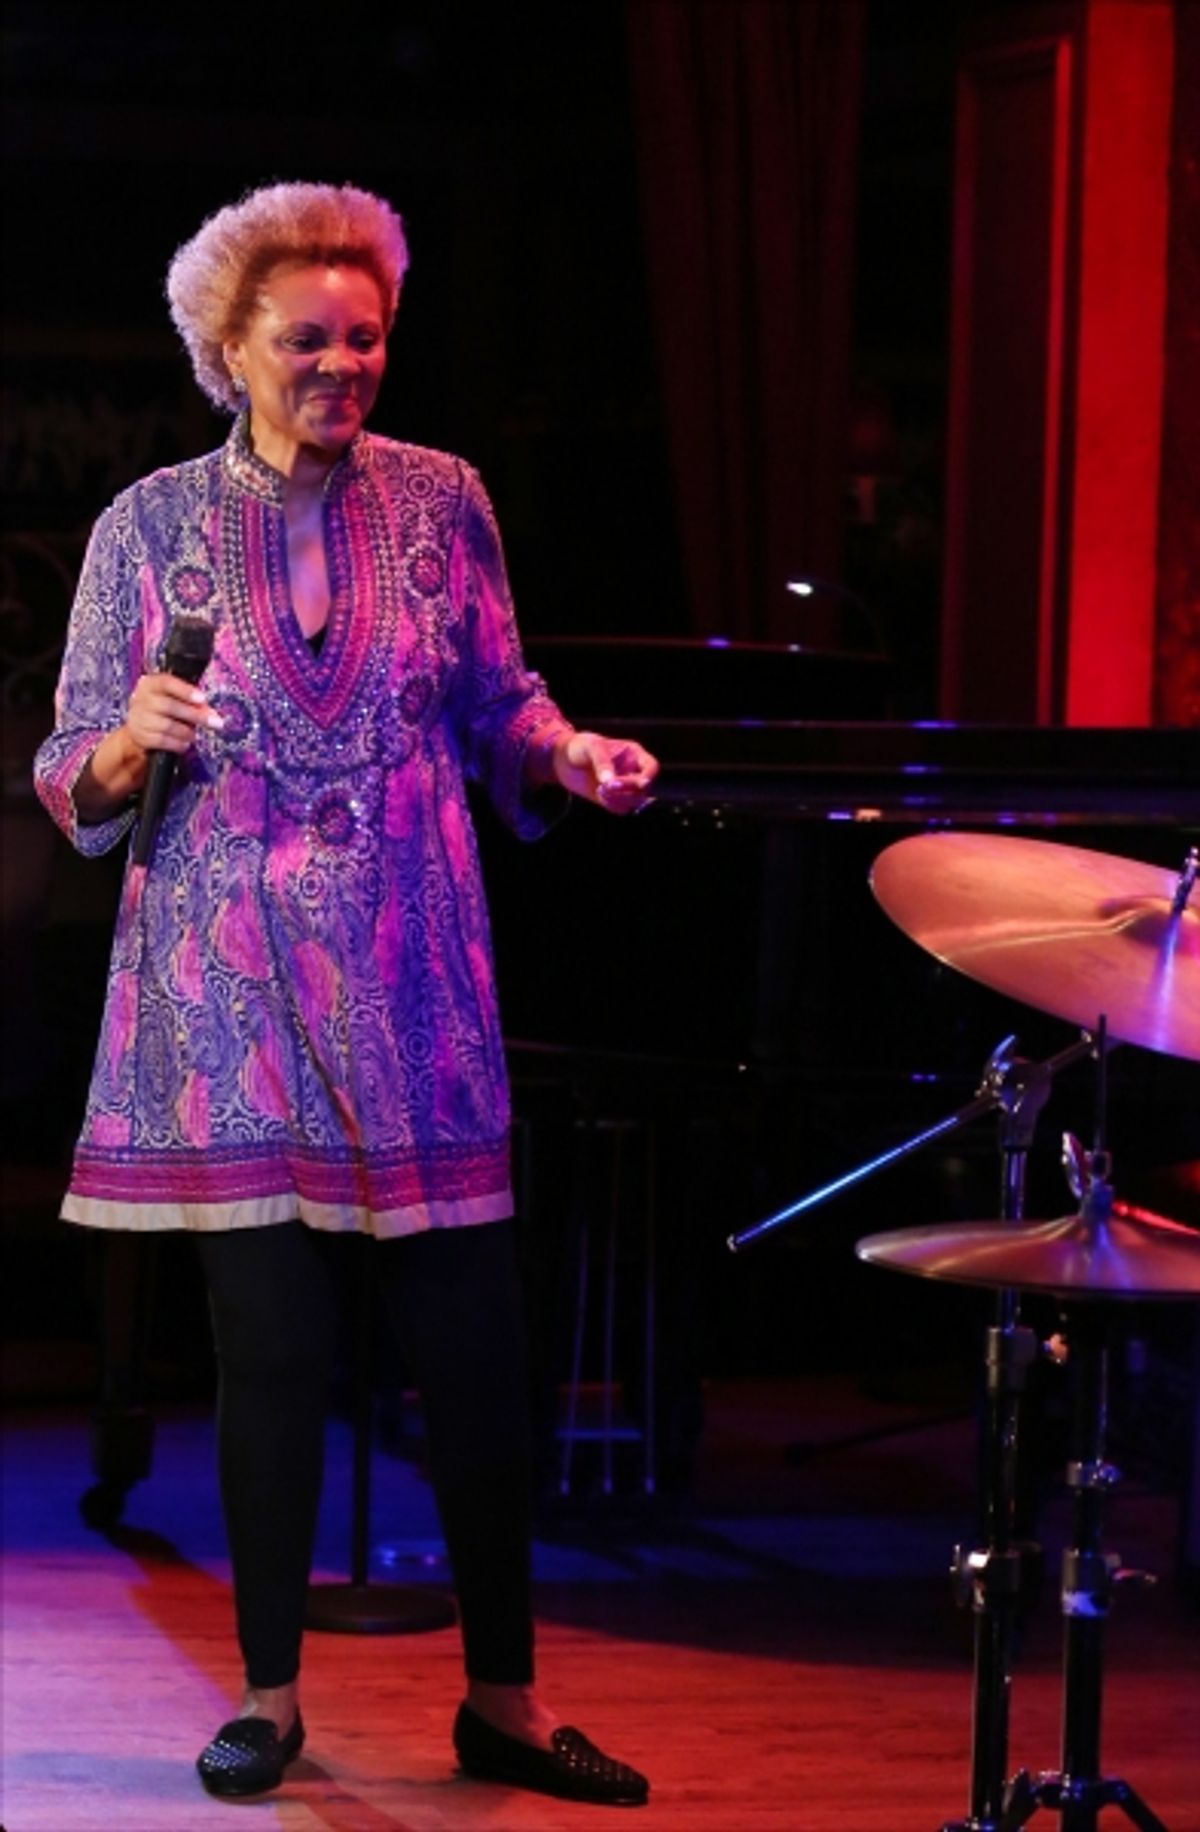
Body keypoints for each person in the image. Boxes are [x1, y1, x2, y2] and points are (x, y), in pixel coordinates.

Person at [33, 180, 657, 1807]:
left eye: (364, 336)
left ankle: (504, 1703)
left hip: (415, 977)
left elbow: (502, 691)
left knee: (473, 1354)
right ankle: (267, 1697)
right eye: (303, 337)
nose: (340, 362)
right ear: (225, 345)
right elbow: (68, 768)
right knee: (272, 1353)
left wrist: (569, 756)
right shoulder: (146, 530)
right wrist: (128, 741)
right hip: (227, 1002)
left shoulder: (445, 502)